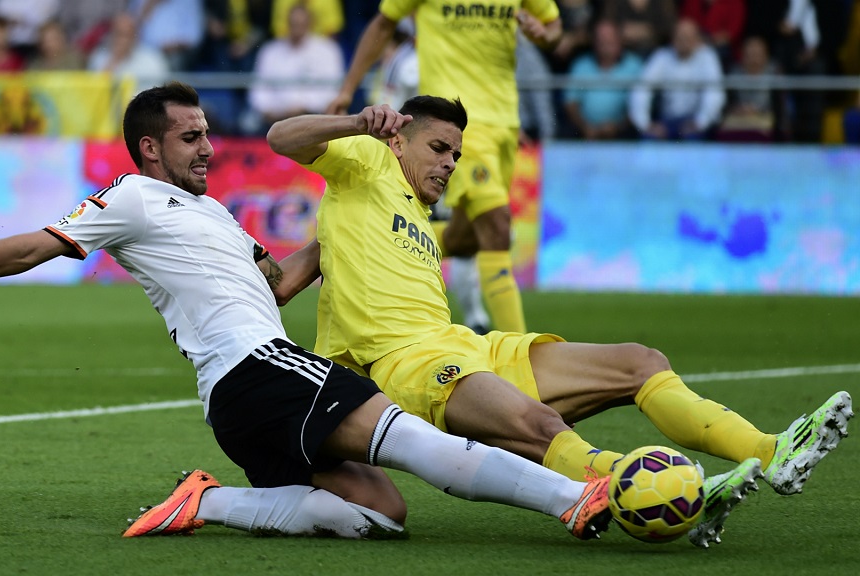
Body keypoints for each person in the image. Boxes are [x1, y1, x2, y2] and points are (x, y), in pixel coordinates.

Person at [0, 82, 614, 542]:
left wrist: (344, 239)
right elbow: (32, 247)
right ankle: (574, 498)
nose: (208, 146)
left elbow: (276, 290)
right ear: (149, 150)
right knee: (412, 439)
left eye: (209, 133)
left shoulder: (223, 221)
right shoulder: (135, 197)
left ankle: (209, 500)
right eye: (191, 137)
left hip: (238, 400)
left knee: (377, 514)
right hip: (255, 368)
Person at [266, 99, 853, 548]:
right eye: (441, 149)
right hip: (404, 361)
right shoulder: (363, 161)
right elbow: (280, 138)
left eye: (456, 156)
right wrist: (356, 123)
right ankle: (651, 494)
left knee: (638, 362)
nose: (450, 165)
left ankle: (770, 451)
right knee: (536, 424)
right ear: (398, 138)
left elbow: (308, 267)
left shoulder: (413, 213)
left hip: (464, 345)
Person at [328, 1, 564, 336]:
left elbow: (554, 29)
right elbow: (383, 24)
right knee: (497, 226)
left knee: (467, 239)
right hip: (455, 125)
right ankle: (523, 356)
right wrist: (347, 90)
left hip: (506, 122)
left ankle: (378, 238)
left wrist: (544, 35)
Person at [245, 5, 344, 133]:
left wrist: (303, 107)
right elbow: (258, 91)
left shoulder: (328, 50)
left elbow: (333, 90)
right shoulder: (270, 51)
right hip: (273, 121)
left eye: (301, 24)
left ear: (310, 23)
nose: (297, 28)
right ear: (287, 24)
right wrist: (272, 111)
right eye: (293, 23)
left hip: (315, 119)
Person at [628, 18, 726, 140]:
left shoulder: (707, 57)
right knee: (649, 139)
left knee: (693, 143)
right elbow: (642, 88)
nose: (683, 41)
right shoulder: (662, 56)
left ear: (697, 39)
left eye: (688, 37)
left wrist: (700, 123)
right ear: (672, 39)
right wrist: (645, 124)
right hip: (666, 121)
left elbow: (714, 94)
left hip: (695, 120)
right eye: (680, 37)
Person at [563, 19, 643, 140]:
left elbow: (639, 105)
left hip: (623, 134)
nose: (605, 44)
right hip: (585, 133)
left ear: (620, 40)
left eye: (609, 40)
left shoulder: (634, 66)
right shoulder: (581, 65)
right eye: (601, 40)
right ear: (594, 42)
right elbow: (571, 103)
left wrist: (618, 127)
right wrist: (586, 128)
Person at [87, 13, 169, 93]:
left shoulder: (152, 58)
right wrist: (114, 61)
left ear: (136, 36)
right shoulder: (99, 57)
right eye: (118, 34)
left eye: (127, 35)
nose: (122, 40)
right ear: (111, 35)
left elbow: (158, 92)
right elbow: (94, 93)